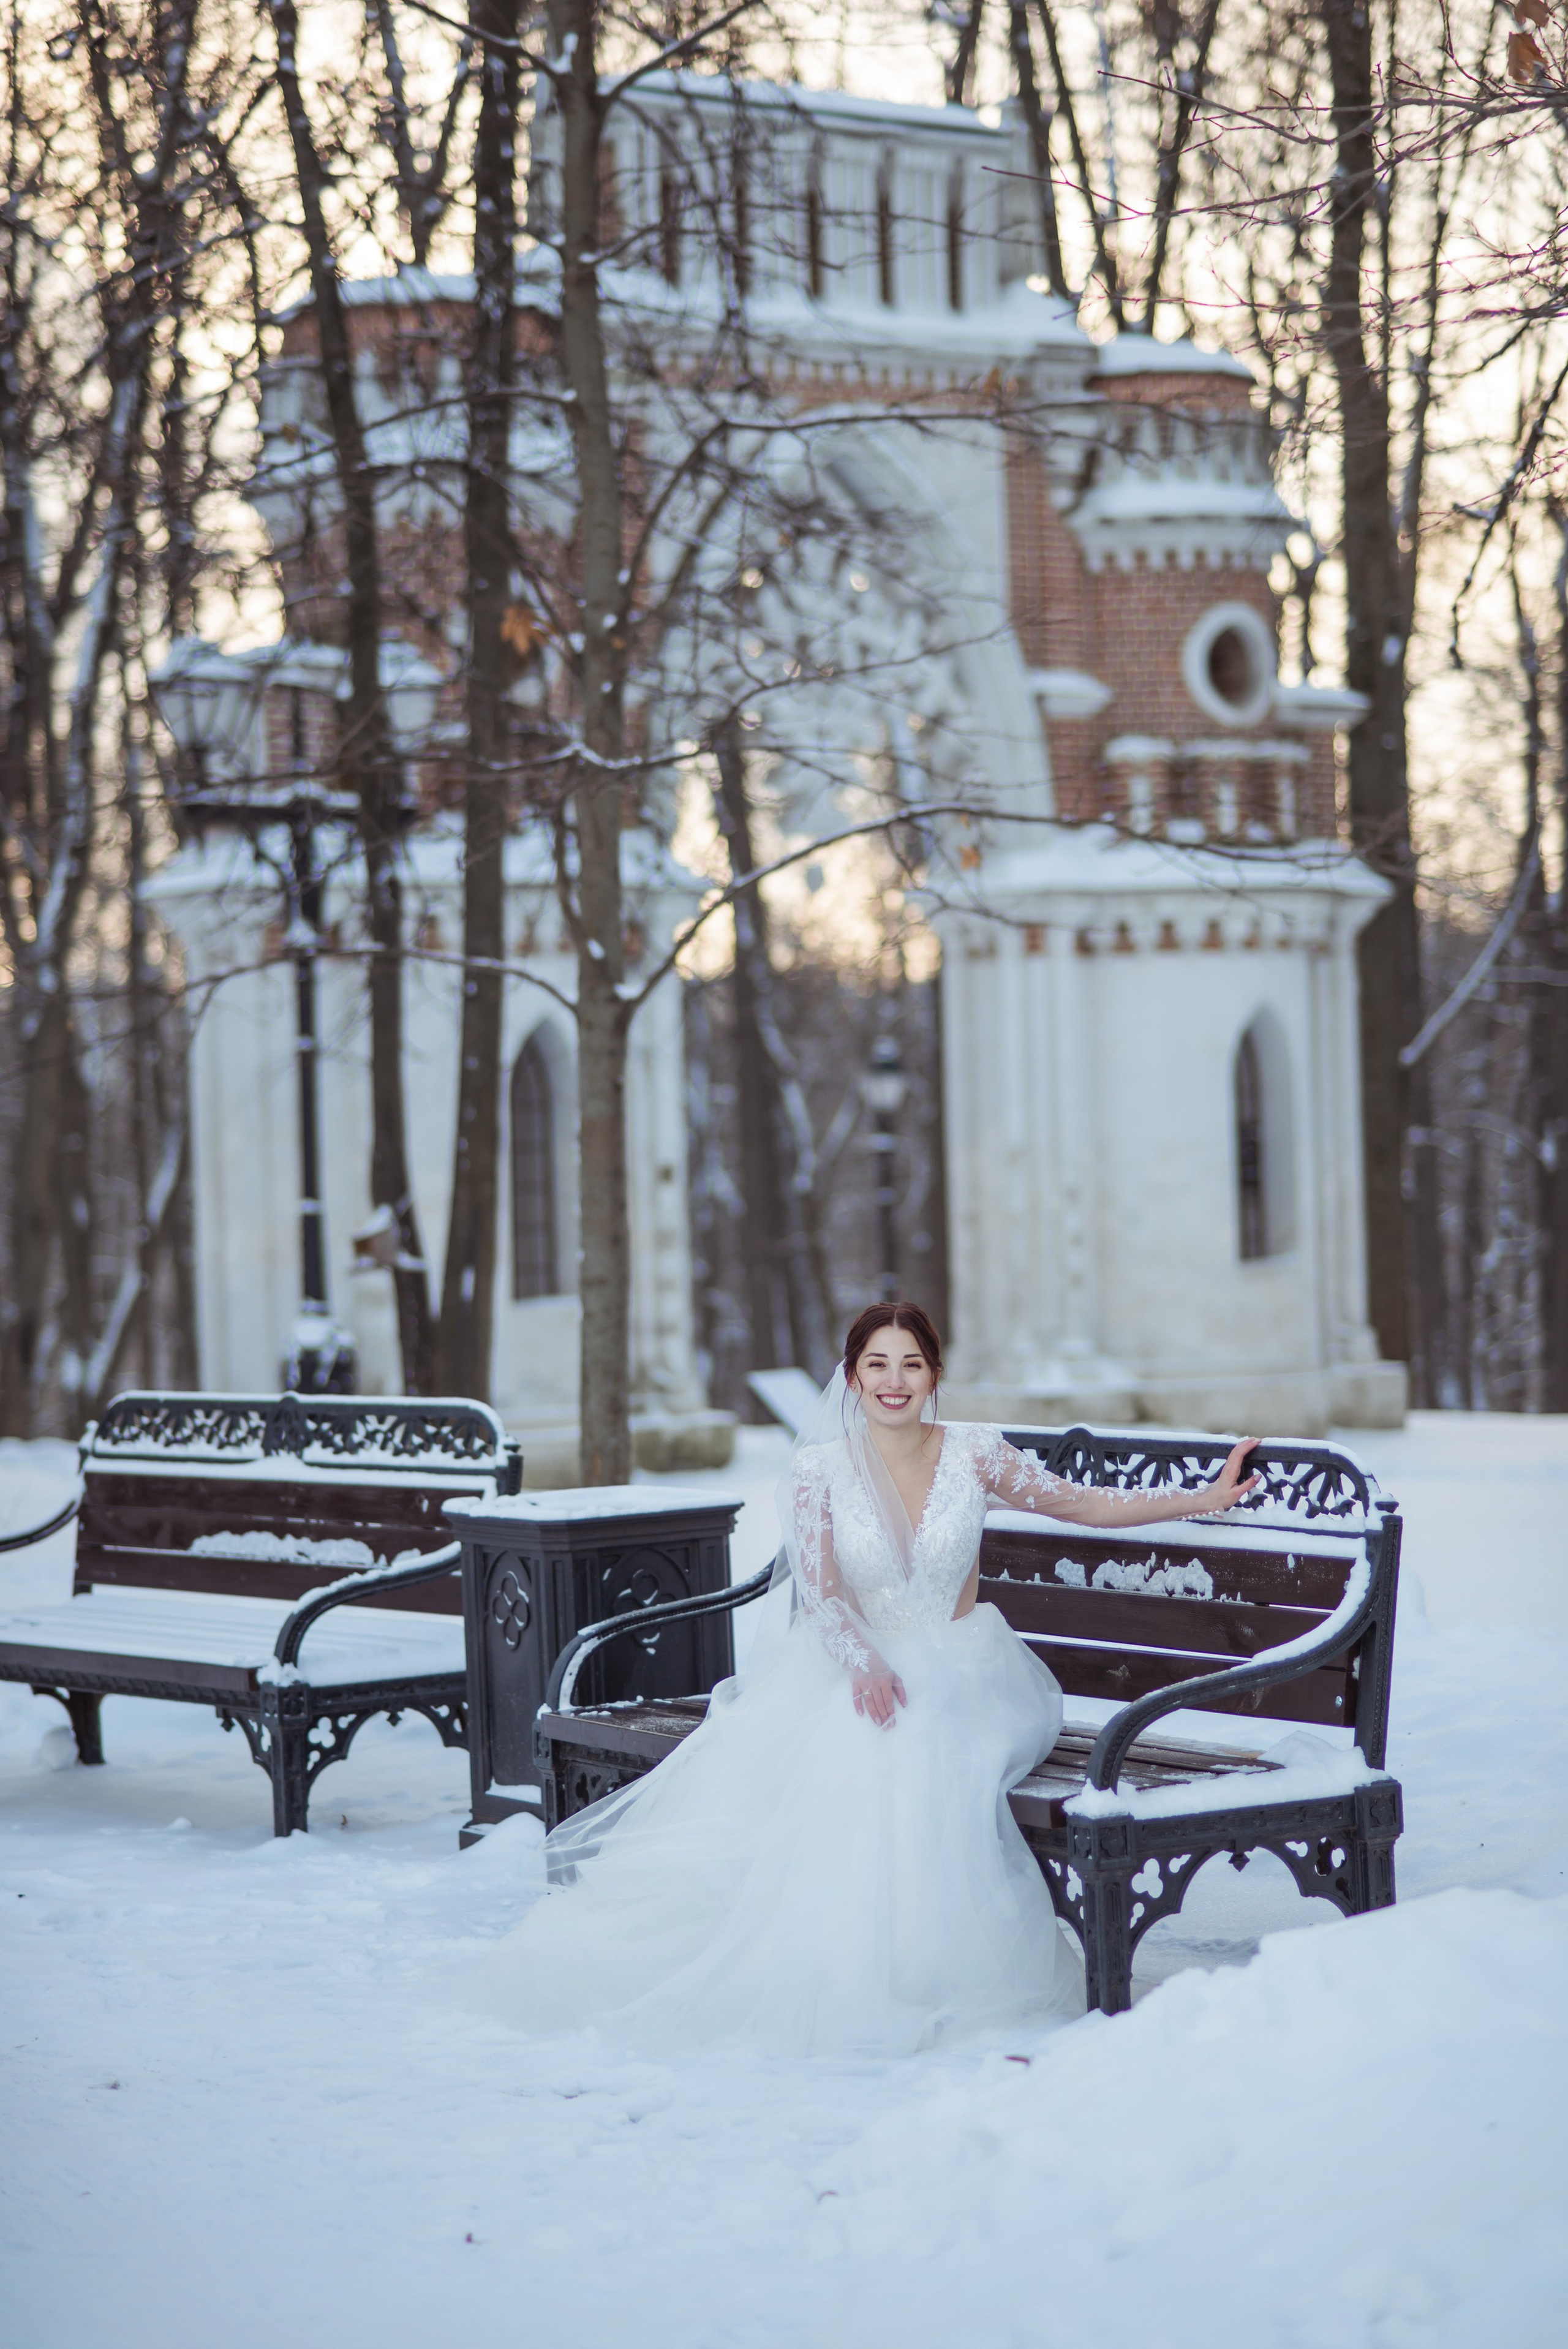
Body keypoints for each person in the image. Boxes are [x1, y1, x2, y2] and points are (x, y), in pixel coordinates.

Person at [468, 1303, 1259, 2057]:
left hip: (971, 1672)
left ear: (934, 1374)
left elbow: (1084, 1505)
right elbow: (820, 1588)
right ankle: (841, 1965)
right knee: (867, 1737)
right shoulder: (821, 1468)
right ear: (851, 1377)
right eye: (877, 1363)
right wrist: (862, 1661)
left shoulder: (976, 1451)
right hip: (857, 1659)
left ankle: (921, 1964)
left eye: (911, 1364)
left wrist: (1207, 1497)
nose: (895, 1379)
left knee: (911, 1738)